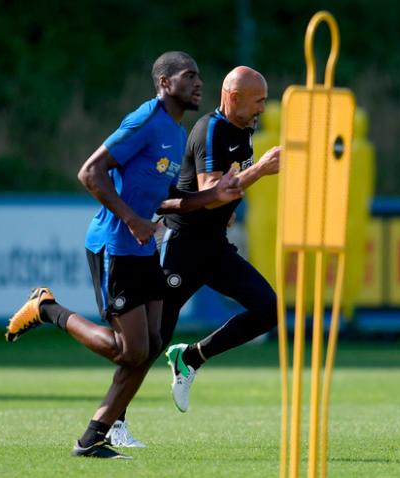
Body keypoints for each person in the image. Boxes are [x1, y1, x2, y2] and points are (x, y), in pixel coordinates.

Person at [4, 51, 242, 459]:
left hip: (144, 247)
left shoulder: (175, 132)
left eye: (199, 76)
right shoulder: (145, 121)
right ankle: (47, 309)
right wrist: (132, 220)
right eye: (189, 76)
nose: (199, 83)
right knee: (128, 350)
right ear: (165, 83)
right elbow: (90, 173)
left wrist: (213, 196)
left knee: (150, 345)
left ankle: (92, 437)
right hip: (114, 245)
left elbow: (169, 199)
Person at [117, 66, 280, 426]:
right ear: (234, 97)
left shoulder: (244, 132)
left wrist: (229, 210)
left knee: (269, 308)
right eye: (258, 102)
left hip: (214, 247)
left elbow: (223, 192)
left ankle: (191, 358)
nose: (262, 110)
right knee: (152, 339)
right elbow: (210, 191)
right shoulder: (211, 129)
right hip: (182, 245)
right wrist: (261, 170)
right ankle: (114, 421)